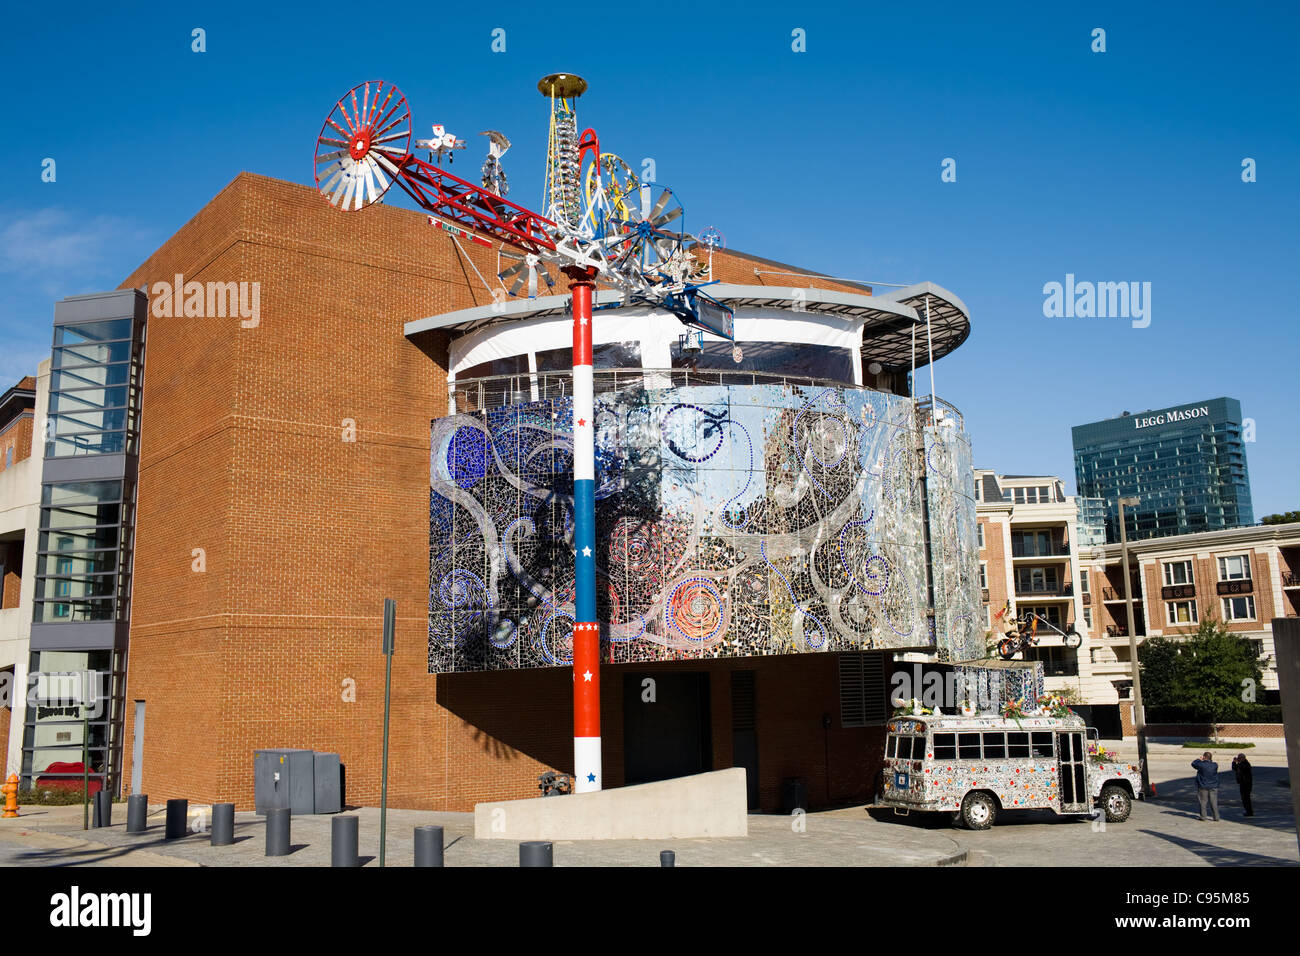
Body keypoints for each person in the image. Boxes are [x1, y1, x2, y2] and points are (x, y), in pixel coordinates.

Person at [1191, 751, 1220, 821]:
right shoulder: (1215, 765)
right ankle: (1216, 817)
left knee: (1203, 802)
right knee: (1214, 802)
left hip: (1203, 786)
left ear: (1204, 757)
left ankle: (1203, 816)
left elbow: (1193, 764)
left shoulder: (1201, 765)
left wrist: (1199, 759)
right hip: (1213, 785)